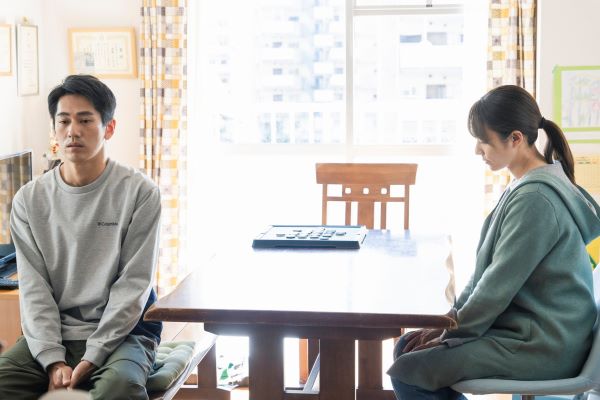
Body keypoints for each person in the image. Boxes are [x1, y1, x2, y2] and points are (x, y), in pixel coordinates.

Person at [388, 85, 600, 399]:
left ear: (515, 139)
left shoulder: (536, 198)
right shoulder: (528, 186)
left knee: (409, 370)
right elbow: (485, 276)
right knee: (407, 347)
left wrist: (450, 331)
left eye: (483, 140)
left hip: (545, 344)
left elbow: (496, 286)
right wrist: (447, 321)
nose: (478, 150)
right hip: (534, 331)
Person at [0, 74, 162, 400]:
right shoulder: (29, 200)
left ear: (109, 128)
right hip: (54, 335)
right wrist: (52, 360)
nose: (72, 130)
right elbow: (34, 289)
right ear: (54, 129)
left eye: (85, 120)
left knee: (120, 388)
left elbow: (133, 285)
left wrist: (93, 356)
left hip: (125, 333)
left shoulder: (140, 193)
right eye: (64, 121)